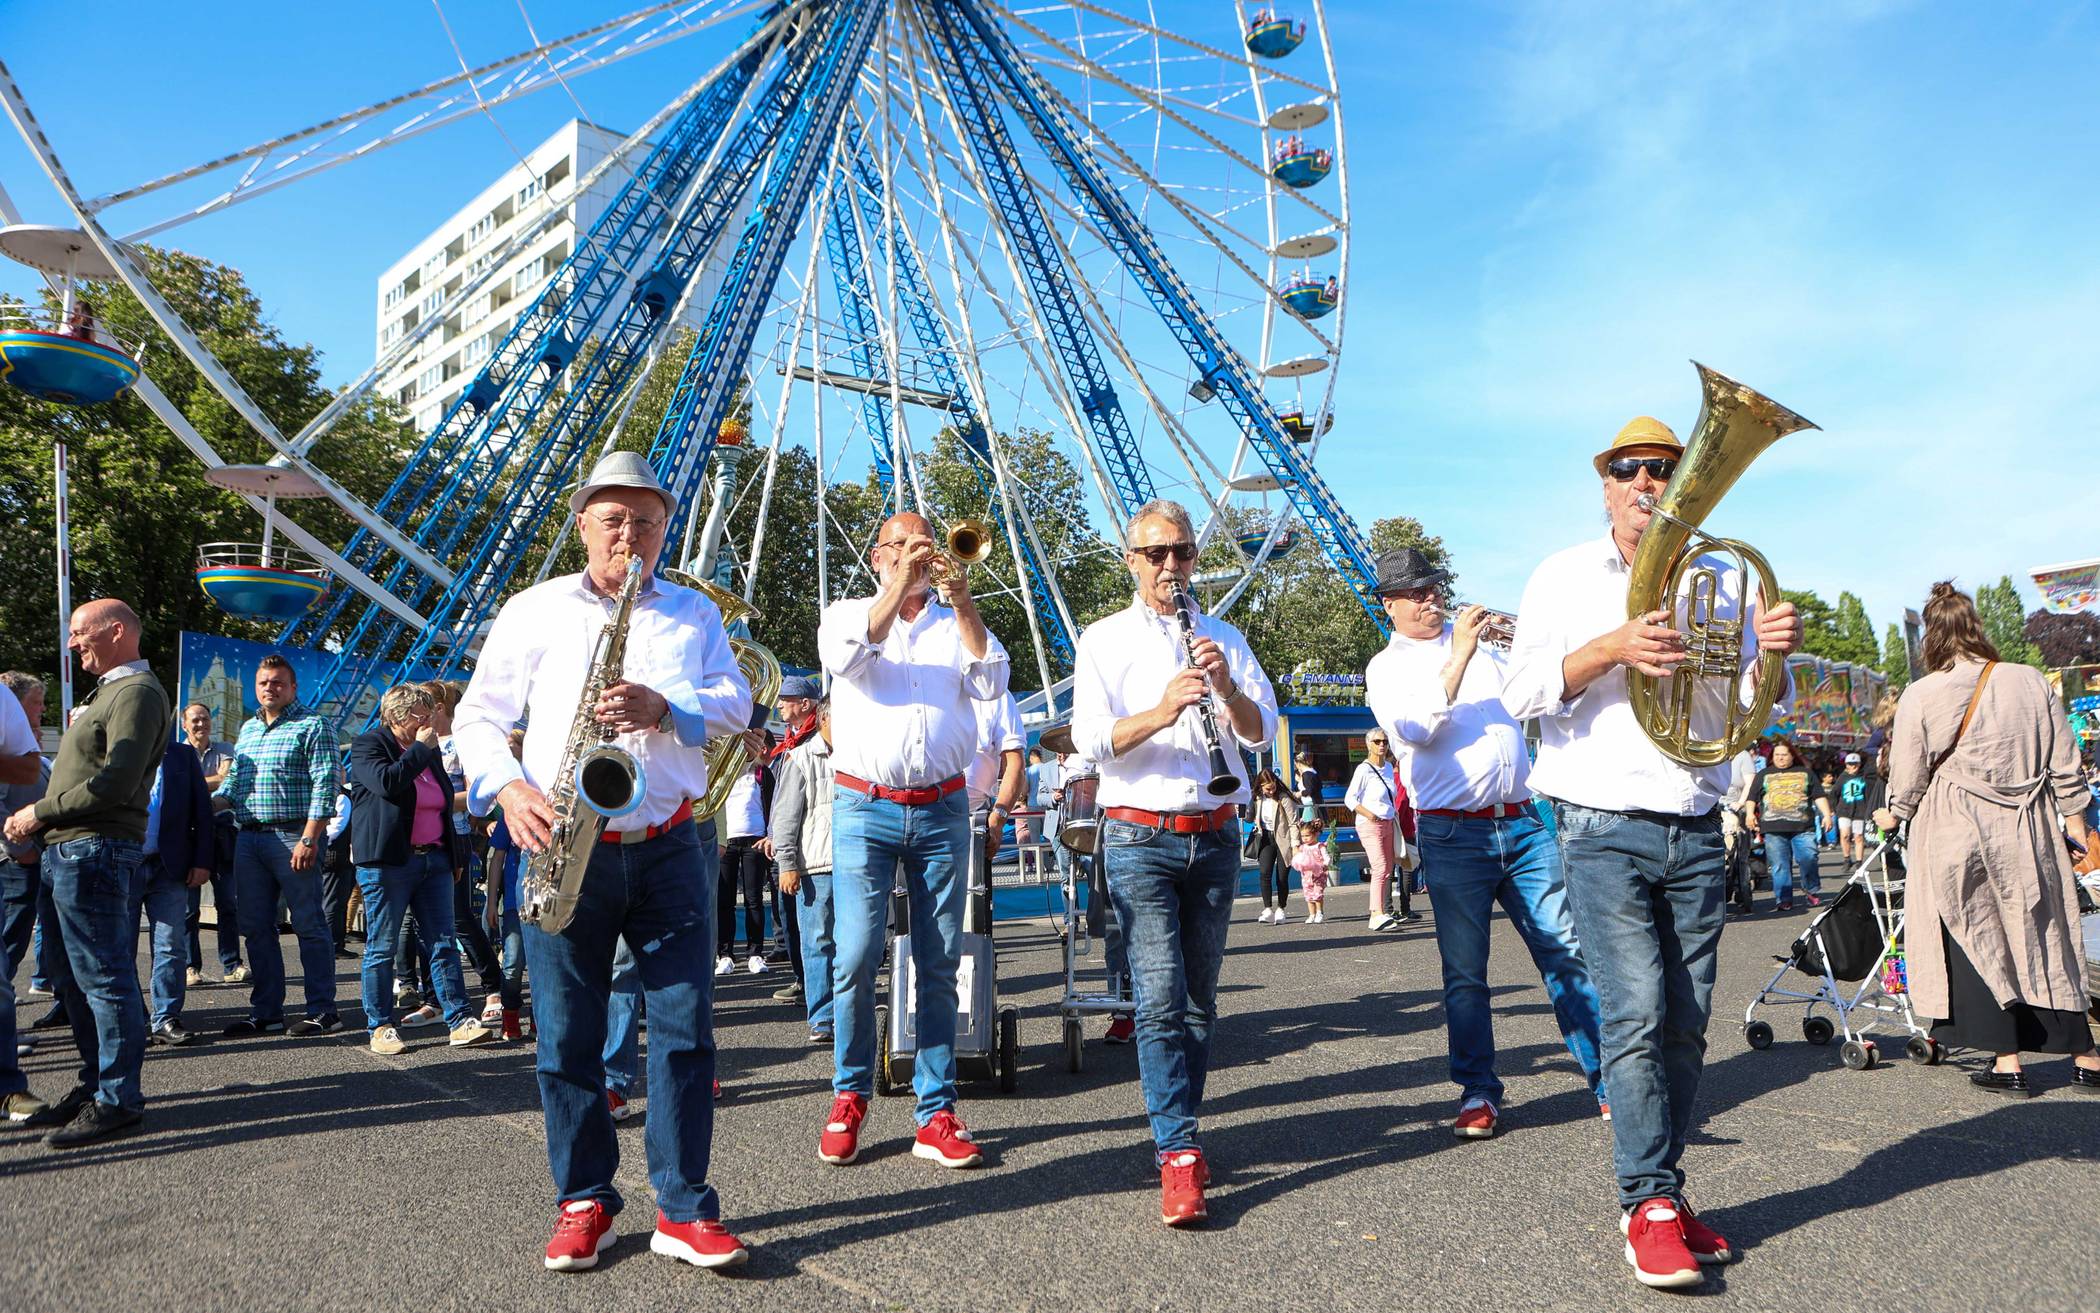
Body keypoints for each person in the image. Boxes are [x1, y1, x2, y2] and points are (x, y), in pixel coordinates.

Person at [1501, 415, 1802, 1289]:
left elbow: (1741, 712)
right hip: (1600, 826)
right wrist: (1608, 649)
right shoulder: (1562, 574)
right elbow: (1519, 689)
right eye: (1630, 469)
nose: (1648, 482)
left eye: (1665, 469)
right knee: (1632, 1015)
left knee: (1686, 1021)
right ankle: (1648, 1200)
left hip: (1697, 824)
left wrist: (1771, 659)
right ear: (1605, 484)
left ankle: (1659, 1192)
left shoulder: (1719, 575)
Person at [456, 450, 753, 1273]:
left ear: (665, 529)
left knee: (688, 1029)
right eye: (613, 518)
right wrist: (510, 791)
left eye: (646, 521)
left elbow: (739, 703)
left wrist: (669, 708)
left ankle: (684, 1206)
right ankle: (585, 1197)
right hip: (560, 841)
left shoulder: (694, 614)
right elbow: (477, 716)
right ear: (583, 522)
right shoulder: (534, 608)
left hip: (668, 846)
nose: (630, 535)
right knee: (566, 1035)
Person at [1070, 498, 1278, 1227]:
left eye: (1182, 553)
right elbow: (1091, 739)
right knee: (1159, 998)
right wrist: (1162, 710)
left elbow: (1260, 735)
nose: (1170, 567)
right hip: (1138, 836)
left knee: (1198, 1001)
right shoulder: (1102, 640)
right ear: (1131, 560)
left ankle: (1177, 1130)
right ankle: (1179, 1149)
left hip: (1215, 832)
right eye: (1156, 554)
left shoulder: (1222, 636)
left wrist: (1226, 689)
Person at [1364, 546, 1607, 1138]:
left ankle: (1608, 1080)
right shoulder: (1387, 667)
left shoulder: (1490, 650)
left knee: (1565, 951)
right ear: (1388, 604)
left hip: (1525, 822)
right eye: (1415, 593)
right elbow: (1417, 731)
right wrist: (1459, 655)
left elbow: (1547, 695)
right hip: (1452, 832)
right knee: (1467, 973)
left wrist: (1536, 647)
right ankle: (1478, 1091)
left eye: (1433, 588)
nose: (1430, 600)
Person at [815, 510, 1009, 1171]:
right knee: (858, 951)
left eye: (920, 543)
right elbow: (848, 656)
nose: (913, 553)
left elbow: (993, 683)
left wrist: (962, 602)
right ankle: (849, 1094)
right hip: (863, 803)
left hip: (942, 805)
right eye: (897, 545)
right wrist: (900, 585)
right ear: (876, 555)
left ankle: (935, 1109)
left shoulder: (955, 623)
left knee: (938, 959)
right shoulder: (846, 612)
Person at [1873, 582, 2100, 1096]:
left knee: (1972, 930)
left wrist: (1895, 813)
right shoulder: (2029, 680)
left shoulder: (1924, 692)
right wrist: (2076, 822)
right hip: (2028, 824)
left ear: (1932, 635)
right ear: (1976, 626)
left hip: (1955, 824)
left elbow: (1907, 774)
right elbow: (2066, 759)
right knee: (2044, 933)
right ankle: (2087, 1057)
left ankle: (2007, 1063)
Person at [5, 599, 171, 1146]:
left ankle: (118, 1099)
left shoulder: (137, 693)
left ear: (116, 631)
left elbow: (117, 782)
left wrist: (38, 812)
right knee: (72, 975)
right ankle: (96, 1085)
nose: (72, 643)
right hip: (71, 851)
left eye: (79, 633)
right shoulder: (112, 692)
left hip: (93, 850)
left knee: (102, 977)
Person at [348, 683, 497, 1056]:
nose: (429, 721)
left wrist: (455, 856)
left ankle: (460, 1019)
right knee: (382, 946)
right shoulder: (370, 745)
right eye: (421, 714)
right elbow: (387, 783)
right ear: (398, 717)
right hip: (389, 863)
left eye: (430, 713)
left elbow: (445, 802)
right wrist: (418, 749)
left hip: (435, 859)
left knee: (444, 941)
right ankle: (380, 1025)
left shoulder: (426, 753)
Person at [213, 654, 341, 1036]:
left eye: (277, 682)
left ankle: (323, 1011)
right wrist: (200, 805)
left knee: (309, 924)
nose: (270, 687)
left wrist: (309, 837)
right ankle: (267, 1012)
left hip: (291, 837)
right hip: (249, 838)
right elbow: (234, 785)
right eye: (264, 682)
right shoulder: (248, 730)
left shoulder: (313, 725)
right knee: (254, 927)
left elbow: (326, 783)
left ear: (293, 687)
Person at [135, 736, 214, 1047]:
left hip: (170, 865)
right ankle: (132, 1019)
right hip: (123, 863)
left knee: (170, 946)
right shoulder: (114, 746)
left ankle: (165, 1018)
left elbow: (202, 811)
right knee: (121, 948)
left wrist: (202, 860)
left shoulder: (182, 755)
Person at [772, 699, 838, 1044]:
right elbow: (785, 817)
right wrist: (787, 864)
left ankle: (848, 1012)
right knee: (817, 943)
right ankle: (823, 1017)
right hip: (815, 867)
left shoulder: (859, 756)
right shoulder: (800, 757)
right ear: (824, 718)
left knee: (854, 946)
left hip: (857, 864)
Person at [0, 671, 49, 1122]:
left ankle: (5, 1087)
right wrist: (17, 848)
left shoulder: (2, 706)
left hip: (16, 860)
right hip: (13, 861)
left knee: (1, 972)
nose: (40, 711)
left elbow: (27, 770)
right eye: (35, 703)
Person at [179, 703, 245, 986]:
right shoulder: (176, 753)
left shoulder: (225, 748)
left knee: (228, 903)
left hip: (221, 833)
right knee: (188, 909)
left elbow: (227, 780)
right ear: (184, 725)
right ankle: (190, 967)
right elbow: (216, 780)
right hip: (187, 835)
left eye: (205, 718)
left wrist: (195, 784)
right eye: (194, 720)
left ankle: (232, 965)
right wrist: (213, 780)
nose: (200, 724)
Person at [715, 721, 776, 976]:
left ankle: (755, 953)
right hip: (726, 842)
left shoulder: (763, 774)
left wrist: (769, 835)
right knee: (724, 900)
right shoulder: (720, 774)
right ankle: (725, 954)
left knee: (754, 899)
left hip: (754, 841)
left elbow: (773, 806)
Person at [1344, 725, 1418, 929]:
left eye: (1385, 741)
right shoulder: (1363, 769)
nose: (1382, 745)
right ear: (1368, 744)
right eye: (1377, 741)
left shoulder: (1387, 767)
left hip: (1389, 823)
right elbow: (1349, 798)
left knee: (1387, 868)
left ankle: (1384, 911)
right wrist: (1369, 814)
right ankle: (1375, 913)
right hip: (1370, 824)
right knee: (1379, 867)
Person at [1745, 738, 1830, 911]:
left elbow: (1819, 796)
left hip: (1803, 827)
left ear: (1792, 756)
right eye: (1777, 755)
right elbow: (1752, 797)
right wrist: (1749, 814)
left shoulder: (1805, 773)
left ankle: (1811, 890)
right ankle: (1783, 899)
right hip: (1773, 828)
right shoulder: (1764, 774)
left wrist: (1827, 815)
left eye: (1784, 755)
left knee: (1809, 857)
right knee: (1779, 865)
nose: (1781, 758)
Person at [1247, 768, 1298, 924]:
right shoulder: (1257, 798)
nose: (1271, 791)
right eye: (1267, 788)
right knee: (1264, 873)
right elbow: (1250, 818)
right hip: (1265, 838)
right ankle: (1267, 908)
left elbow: (1293, 823)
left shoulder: (1284, 798)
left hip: (1284, 839)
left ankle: (1281, 909)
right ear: (1260, 786)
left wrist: (1295, 845)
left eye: (1273, 786)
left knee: (1282, 878)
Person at [1720, 749, 1757, 914]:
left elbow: (1750, 783)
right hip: (1711, 810)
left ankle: (1742, 890)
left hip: (1734, 810)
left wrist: (1741, 803)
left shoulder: (1742, 755)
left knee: (1738, 856)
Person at [1835, 751, 1873, 865]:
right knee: (1845, 835)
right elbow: (1834, 794)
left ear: (1859, 764)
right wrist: (1834, 809)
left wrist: (1868, 810)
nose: (1853, 766)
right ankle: (1847, 858)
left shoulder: (1864, 778)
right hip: (1844, 811)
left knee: (1858, 836)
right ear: (1846, 765)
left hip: (1860, 811)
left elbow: (1868, 794)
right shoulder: (1842, 778)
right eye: (1850, 764)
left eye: (1855, 764)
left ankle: (1859, 861)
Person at [1289, 819, 1331, 922]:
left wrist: (1325, 864)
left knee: (1317, 894)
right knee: (1308, 895)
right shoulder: (1303, 847)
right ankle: (1312, 914)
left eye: (1307, 836)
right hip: (1306, 875)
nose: (1305, 839)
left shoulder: (1319, 846)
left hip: (1319, 874)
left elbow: (1327, 857)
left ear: (1316, 834)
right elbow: (1299, 858)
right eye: (1303, 836)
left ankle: (1319, 912)